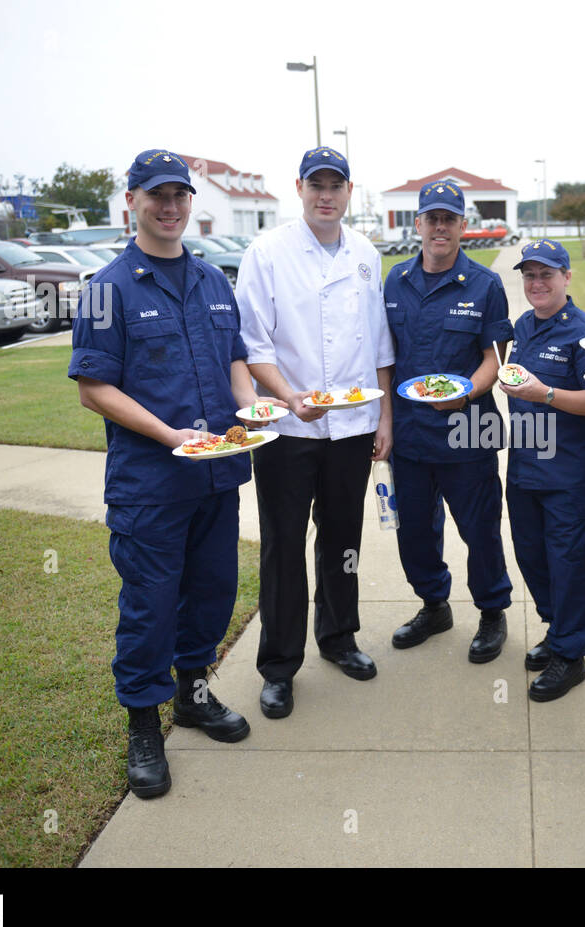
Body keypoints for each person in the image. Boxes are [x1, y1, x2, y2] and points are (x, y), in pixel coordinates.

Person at [69, 149, 270, 799]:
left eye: (180, 195)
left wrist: (253, 408)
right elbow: (94, 387)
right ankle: (143, 727)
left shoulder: (213, 281)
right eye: (157, 195)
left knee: (211, 594)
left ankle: (194, 696)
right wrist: (167, 433)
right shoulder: (107, 288)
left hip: (216, 475)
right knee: (150, 608)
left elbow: (236, 359)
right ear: (132, 201)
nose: (171, 206)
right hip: (150, 484)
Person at [235, 146, 395, 721]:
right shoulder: (268, 252)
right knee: (282, 544)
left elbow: (378, 343)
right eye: (316, 185)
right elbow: (253, 344)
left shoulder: (365, 253)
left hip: (352, 423)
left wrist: (384, 417)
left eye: (337, 185)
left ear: (350, 191)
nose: (326, 195)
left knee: (343, 537)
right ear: (299, 188)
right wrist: (286, 396)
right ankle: (278, 666)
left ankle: (338, 636)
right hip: (287, 428)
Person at [383, 180, 513, 661]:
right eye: (431, 218)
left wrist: (467, 392)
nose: (440, 227)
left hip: (468, 431)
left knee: (479, 529)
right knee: (414, 530)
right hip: (411, 434)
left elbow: (496, 358)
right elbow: (383, 356)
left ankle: (492, 612)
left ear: (463, 226)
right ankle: (434, 605)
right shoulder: (395, 281)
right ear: (418, 224)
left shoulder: (485, 285)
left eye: (449, 219)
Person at [497, 240, 585, 701]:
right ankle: (557, 628)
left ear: (567, 277)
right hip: (526, 465)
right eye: (529, 275)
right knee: (533, 555)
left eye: (547, 274)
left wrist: (543, 393)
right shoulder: (524, 325)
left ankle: (570, 653)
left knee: (572, 562)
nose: (537, 283)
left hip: (571, 472)